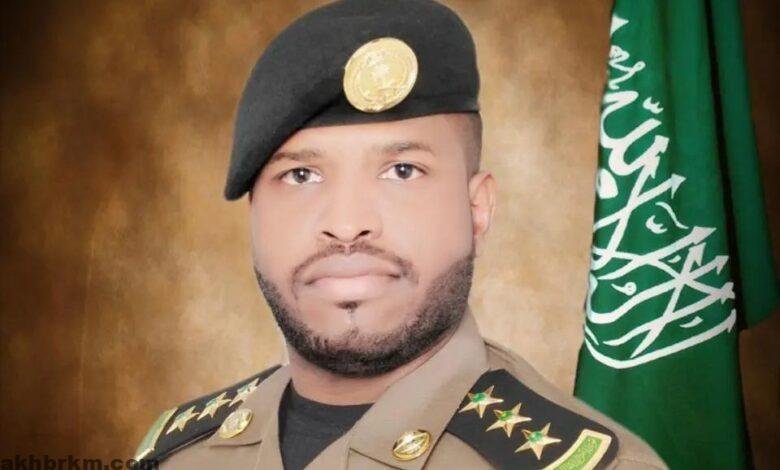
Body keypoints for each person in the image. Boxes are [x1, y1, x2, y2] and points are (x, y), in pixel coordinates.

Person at [133, 0, 667, 468]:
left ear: (477, 209)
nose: (346, 225)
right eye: (301, 175)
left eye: (402, 171)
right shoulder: (178, 455)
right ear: (255, 215)